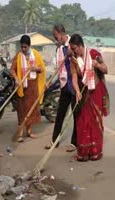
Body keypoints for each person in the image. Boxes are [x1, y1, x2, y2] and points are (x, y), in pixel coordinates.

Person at [69, 34, 109, 161]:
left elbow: (105, 70)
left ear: (81, 46)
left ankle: (95, 151)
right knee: (82, 122)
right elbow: (74, 78)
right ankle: (84, 152)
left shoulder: (94, 54)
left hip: (95, 92)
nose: (73, 51)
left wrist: (97, 65)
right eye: (72, 48)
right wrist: (77, 91)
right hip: (83, 92)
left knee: (95, 122)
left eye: (74, 48)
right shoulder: (74, 60)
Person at [45, 24, 77, 152]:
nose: (54, 38)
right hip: (64, 86)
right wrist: (50, 82)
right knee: (60, 114)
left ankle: (74, 143)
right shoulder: (59, 50)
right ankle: (55, 140)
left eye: (55, 35)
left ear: (61, 33)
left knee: (76, 116)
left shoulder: (74, 43)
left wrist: (72, 54)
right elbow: (58, 69)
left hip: (75, 86)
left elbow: (81, 60)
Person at [10, 35, 46, 142]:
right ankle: (20, 133)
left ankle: (29, 131)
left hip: (33, 86)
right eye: (22, 47)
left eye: (25, 47)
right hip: (22, 86)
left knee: (31, 109)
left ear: (29, 45)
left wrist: (35, 68)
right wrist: (16, 78)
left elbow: (42, 69)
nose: (23, 49)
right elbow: (12, 70)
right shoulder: (18, 55)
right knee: (21, 110)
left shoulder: (36, 54)